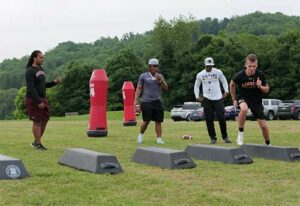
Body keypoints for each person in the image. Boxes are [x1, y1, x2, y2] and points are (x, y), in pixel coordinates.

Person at [230, 54, 270, 145]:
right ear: (245, 65)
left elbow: (267, 89)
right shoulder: (239, 75)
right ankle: (240, 133)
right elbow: (232, 84)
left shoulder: (260, 74)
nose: (252, 68)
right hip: (243, 97)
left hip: (256, 100)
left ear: (257, 65)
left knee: (263, 126)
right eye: (250, 66)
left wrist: (260, 86)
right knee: (244, 109)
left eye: (254, 66)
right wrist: (234, 99)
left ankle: (268, 144)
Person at [25, 50, 60, 150]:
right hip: (33, 99)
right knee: (37, 121)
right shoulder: (29, 71)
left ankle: (36, 142)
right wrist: (38, 101)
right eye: (40, 57)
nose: (42, 59)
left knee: (45, 119)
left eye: (43, 57)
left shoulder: (40, 69)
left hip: (43, 99)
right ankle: (38, 144)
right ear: (34, 58)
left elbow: (43, 85)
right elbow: (31, 88)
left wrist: (54, 82)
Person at [194, 57, 231, 144]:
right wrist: (197, 96)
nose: (209, 67)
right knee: (209, 119)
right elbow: (196, 86)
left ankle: (225, 136)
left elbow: (224, 81)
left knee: (221, 118)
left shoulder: (218, 72)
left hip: (218, 98)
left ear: (213, 65)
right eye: (208, 66)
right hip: (207, 98)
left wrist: (226, 91)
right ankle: (212, 137)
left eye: (211, 66)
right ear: (205, 65)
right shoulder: (200, 74)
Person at [134, 58, 168, 144]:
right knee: (146, 121)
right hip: (146, 101)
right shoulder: (143, 76)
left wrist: (161, 81)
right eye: (153, 66)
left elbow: (166, 88)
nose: (155, 68)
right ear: (149, 67)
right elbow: (139, 88)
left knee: (158, 121)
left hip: (157, 101)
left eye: (157, 66)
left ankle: (159, 139)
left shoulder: (160, 76)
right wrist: (136, 100)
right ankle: (140, 136)